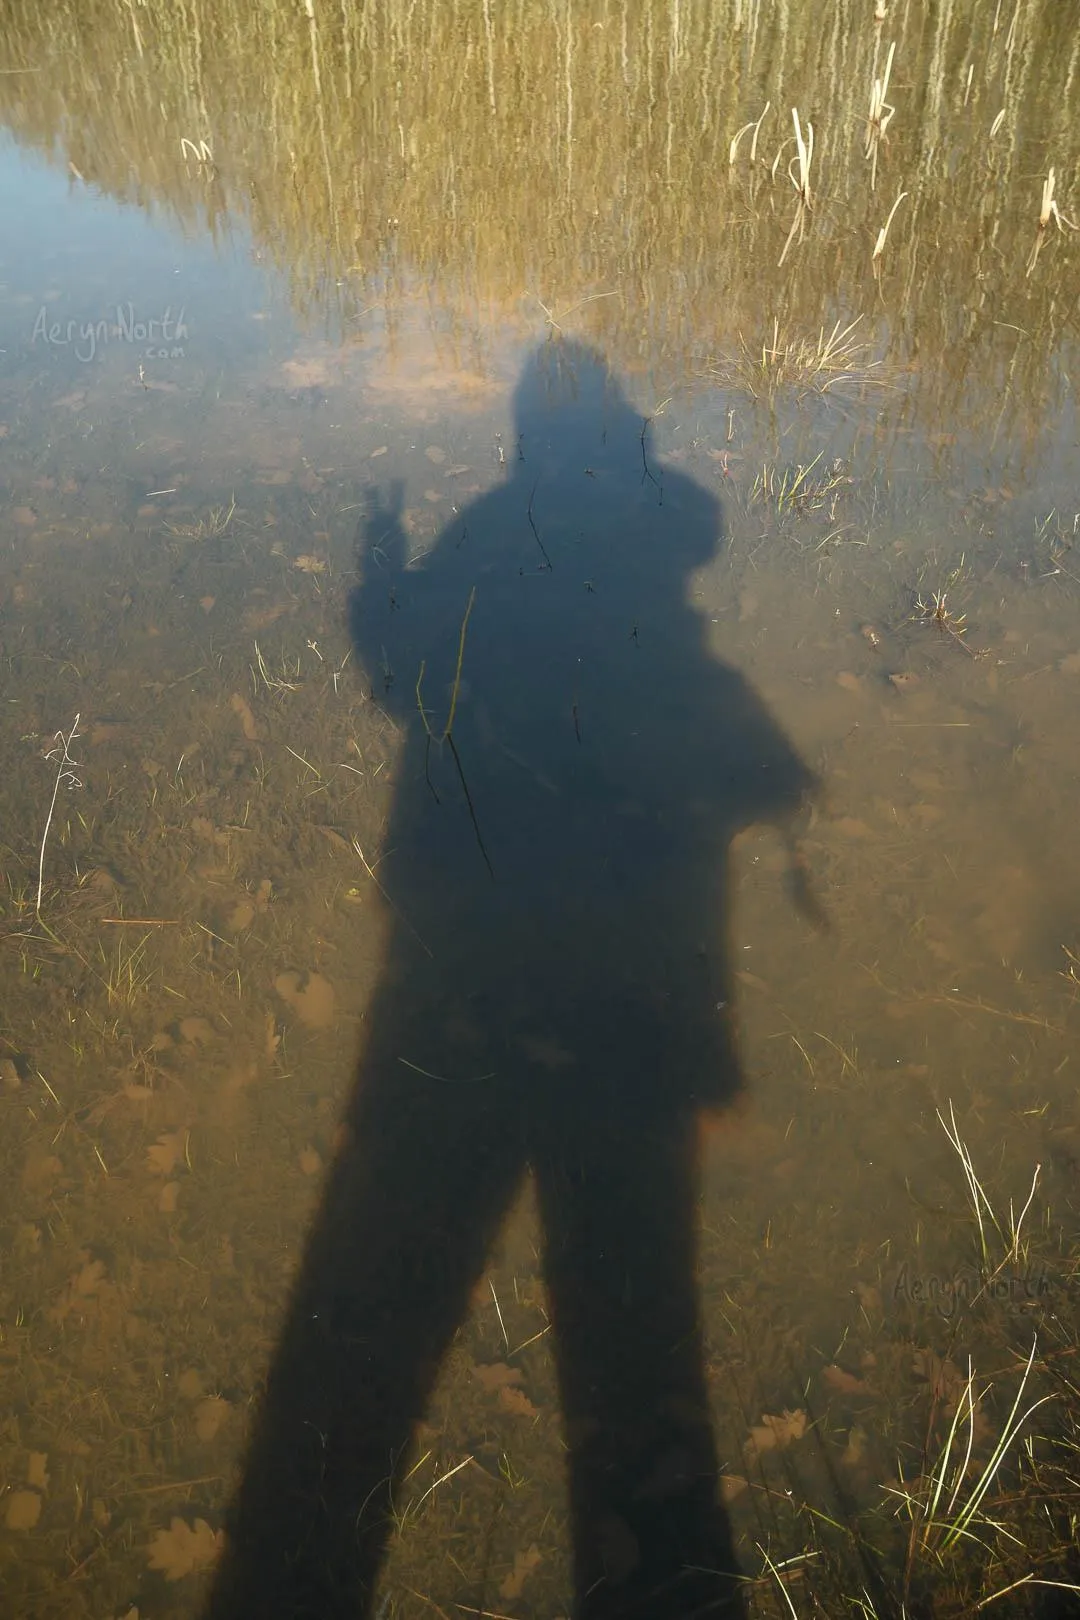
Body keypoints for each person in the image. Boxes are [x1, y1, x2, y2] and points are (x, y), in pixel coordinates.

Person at [203, 338, 817, 1620]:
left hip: (463, 967)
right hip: (634, 1011)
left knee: (377, 1310)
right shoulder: (648, 590)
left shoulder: (490, 541)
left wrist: (378, 575)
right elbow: (744, 766)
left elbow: (402, 667)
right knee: (637, 1347)